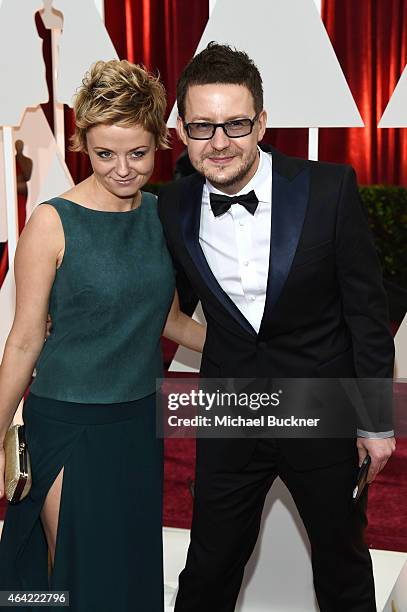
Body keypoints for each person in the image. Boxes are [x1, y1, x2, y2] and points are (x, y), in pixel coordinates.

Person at [157, 43, 396, 611]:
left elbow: (366, 312)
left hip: (321, 409)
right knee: (208, 569)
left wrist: (375, 422)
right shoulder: (173, 206)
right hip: (231, 415)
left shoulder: (330, 187)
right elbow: (163, 307)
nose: (219, 142)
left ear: (261, 122)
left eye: (235, 124)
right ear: (183, 134)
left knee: (343, 568)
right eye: (202, 127)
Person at [0, 59, 205, 611]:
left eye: (137, 153)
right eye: (104, 153)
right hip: (67, 427)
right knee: (81, 582)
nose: (121, 169)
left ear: (160, 142)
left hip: (138, 425)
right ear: (83, 144)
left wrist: (256, 347)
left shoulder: (160, 217)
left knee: (129, 579)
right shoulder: (52, 221)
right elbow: (23, 339)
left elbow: (165, 320)